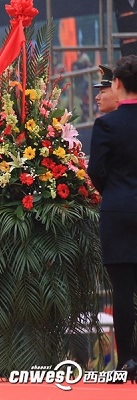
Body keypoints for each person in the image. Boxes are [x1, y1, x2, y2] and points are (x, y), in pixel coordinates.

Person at [88, 55, 137, 381]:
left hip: (118, 212)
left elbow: (96, 171)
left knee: (122, 290)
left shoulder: (107, 125)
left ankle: (127, 361)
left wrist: (115, 193)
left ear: (117, 84)